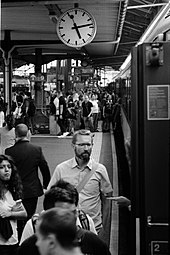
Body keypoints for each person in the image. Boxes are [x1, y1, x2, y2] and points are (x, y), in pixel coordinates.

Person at [18, 180, 111, 255]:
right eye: (64, 214)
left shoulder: (87, 228)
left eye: (74, 212)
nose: (72, 218)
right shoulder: (33, 229)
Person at [48, 129, 113, 233]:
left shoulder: (100, 170)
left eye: (89, 144)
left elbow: (107, 201)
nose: (86, 148)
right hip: (66, 228)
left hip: (93, 229)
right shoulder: (61, 169)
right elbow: (50, 198)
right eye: (82, 145)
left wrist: (105, 229)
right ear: (73, 146)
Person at [5, 124, 51, 239]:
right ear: (28, 133)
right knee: (28, 215)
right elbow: (44, 168)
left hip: (15, 189)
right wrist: (46, 184)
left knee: (16, 216)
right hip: (32, 190)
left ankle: (18, 237)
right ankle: (26, 238)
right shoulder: (36, 149)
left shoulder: (9, 151)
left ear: (16, 134)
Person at [0, 154, 27, 255]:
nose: (7, 170)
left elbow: (24, 213)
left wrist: (10, 214)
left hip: (13, 241)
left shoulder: (13, 191)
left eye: (9, 167)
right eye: (2, 167)